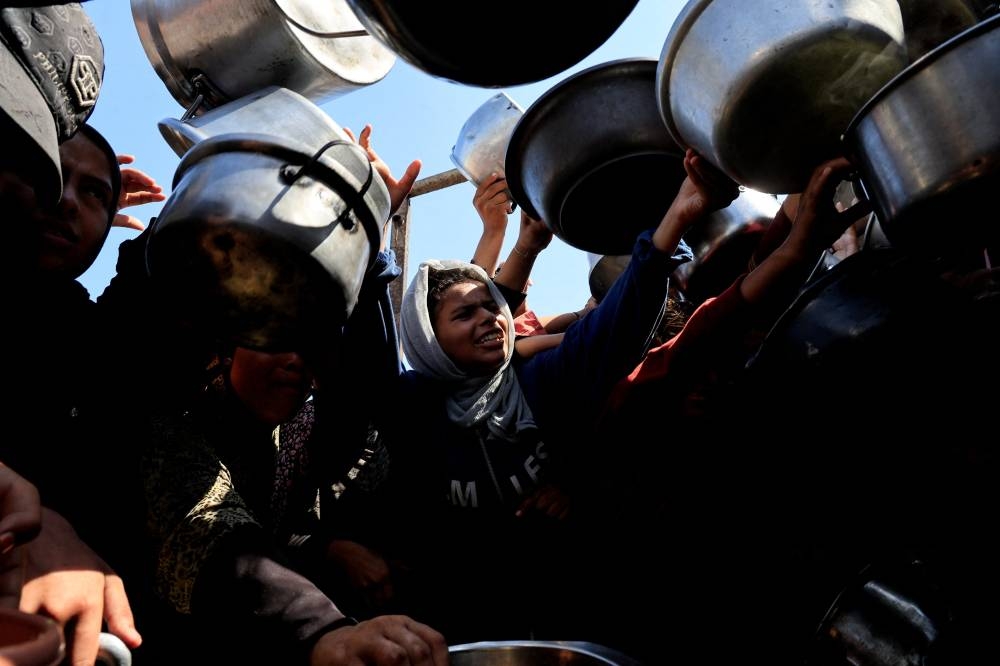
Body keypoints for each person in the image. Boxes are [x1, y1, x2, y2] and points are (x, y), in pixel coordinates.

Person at [380, 149, 738, 644]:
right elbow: (363, 362)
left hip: (574, 611)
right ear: (428, 341)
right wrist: (373, 227)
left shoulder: (540, 379)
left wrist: (678, 215)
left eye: (491, 307)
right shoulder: (413, 408)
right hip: (459, 623)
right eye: (464, 315)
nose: (489, 319)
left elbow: (616, 326)